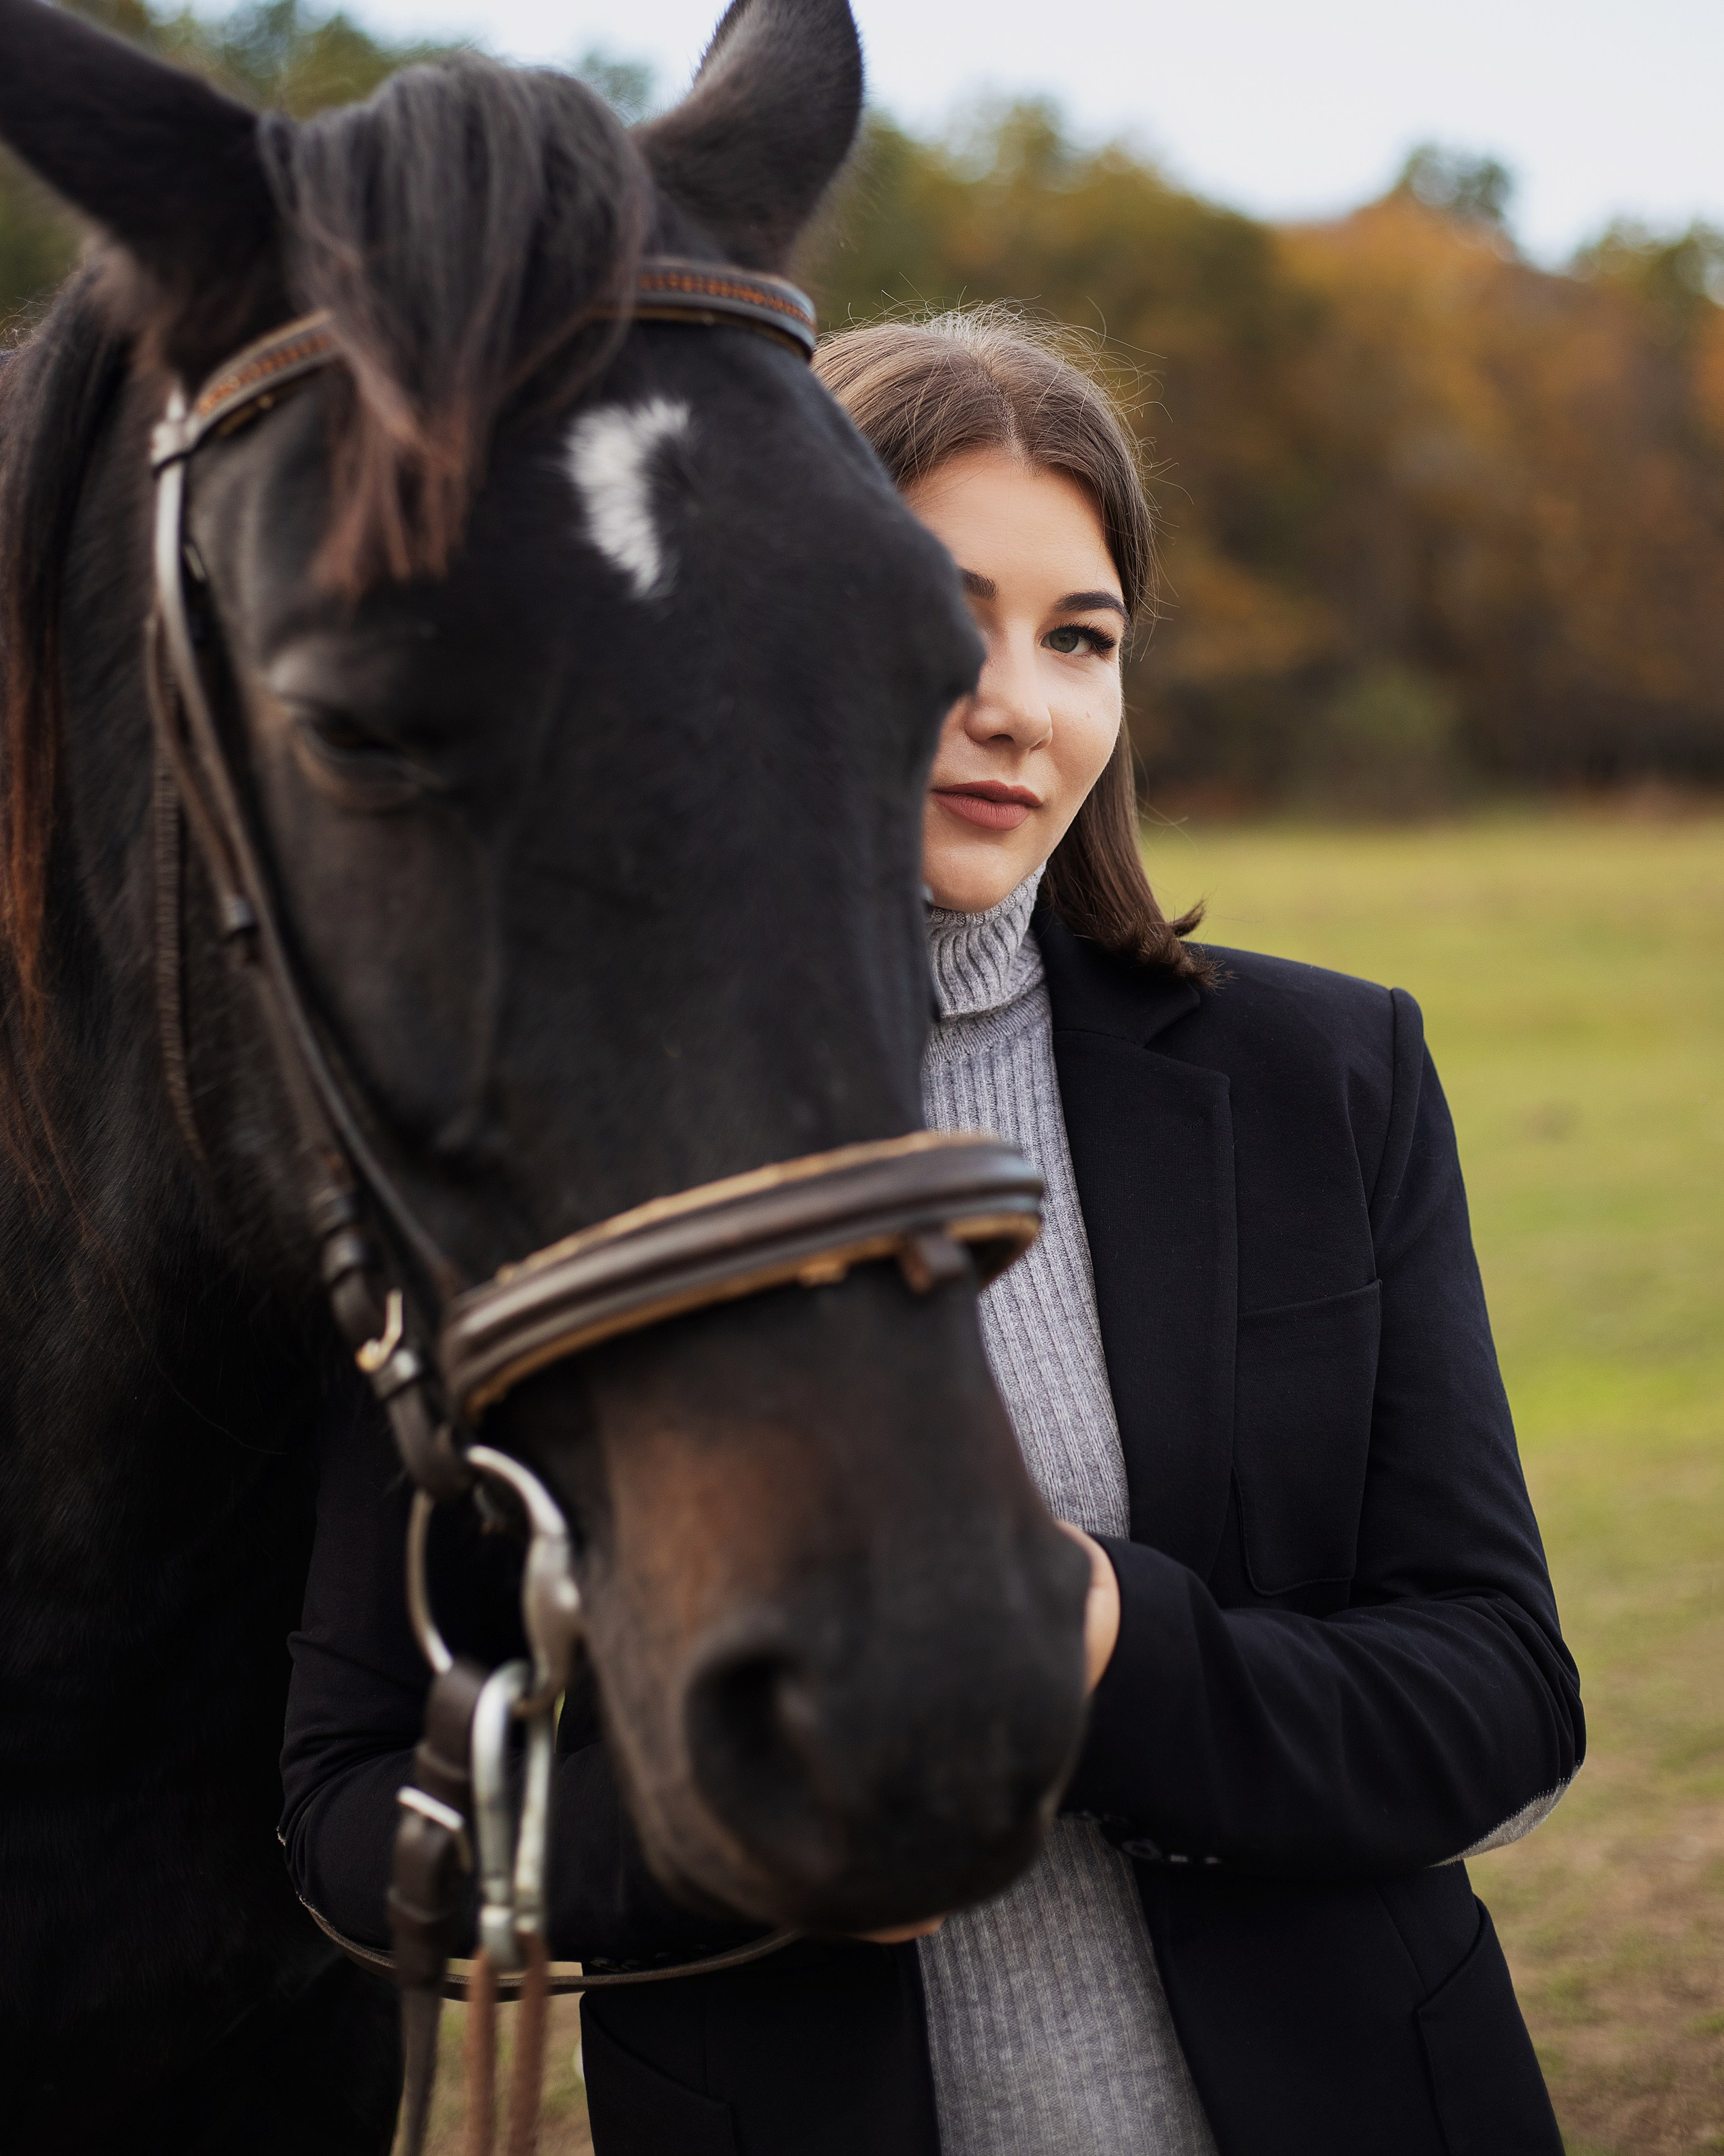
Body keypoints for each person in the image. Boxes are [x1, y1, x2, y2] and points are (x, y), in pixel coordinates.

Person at [281, 308, 1582, 2155]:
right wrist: (746, 1836)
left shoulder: (1329, 1074)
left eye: (1082, 638)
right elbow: (354, 1816)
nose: (1018, 702)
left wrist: (1110, 1640)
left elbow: (1503, 1701)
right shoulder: (511, 1142)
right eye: (936, 611)